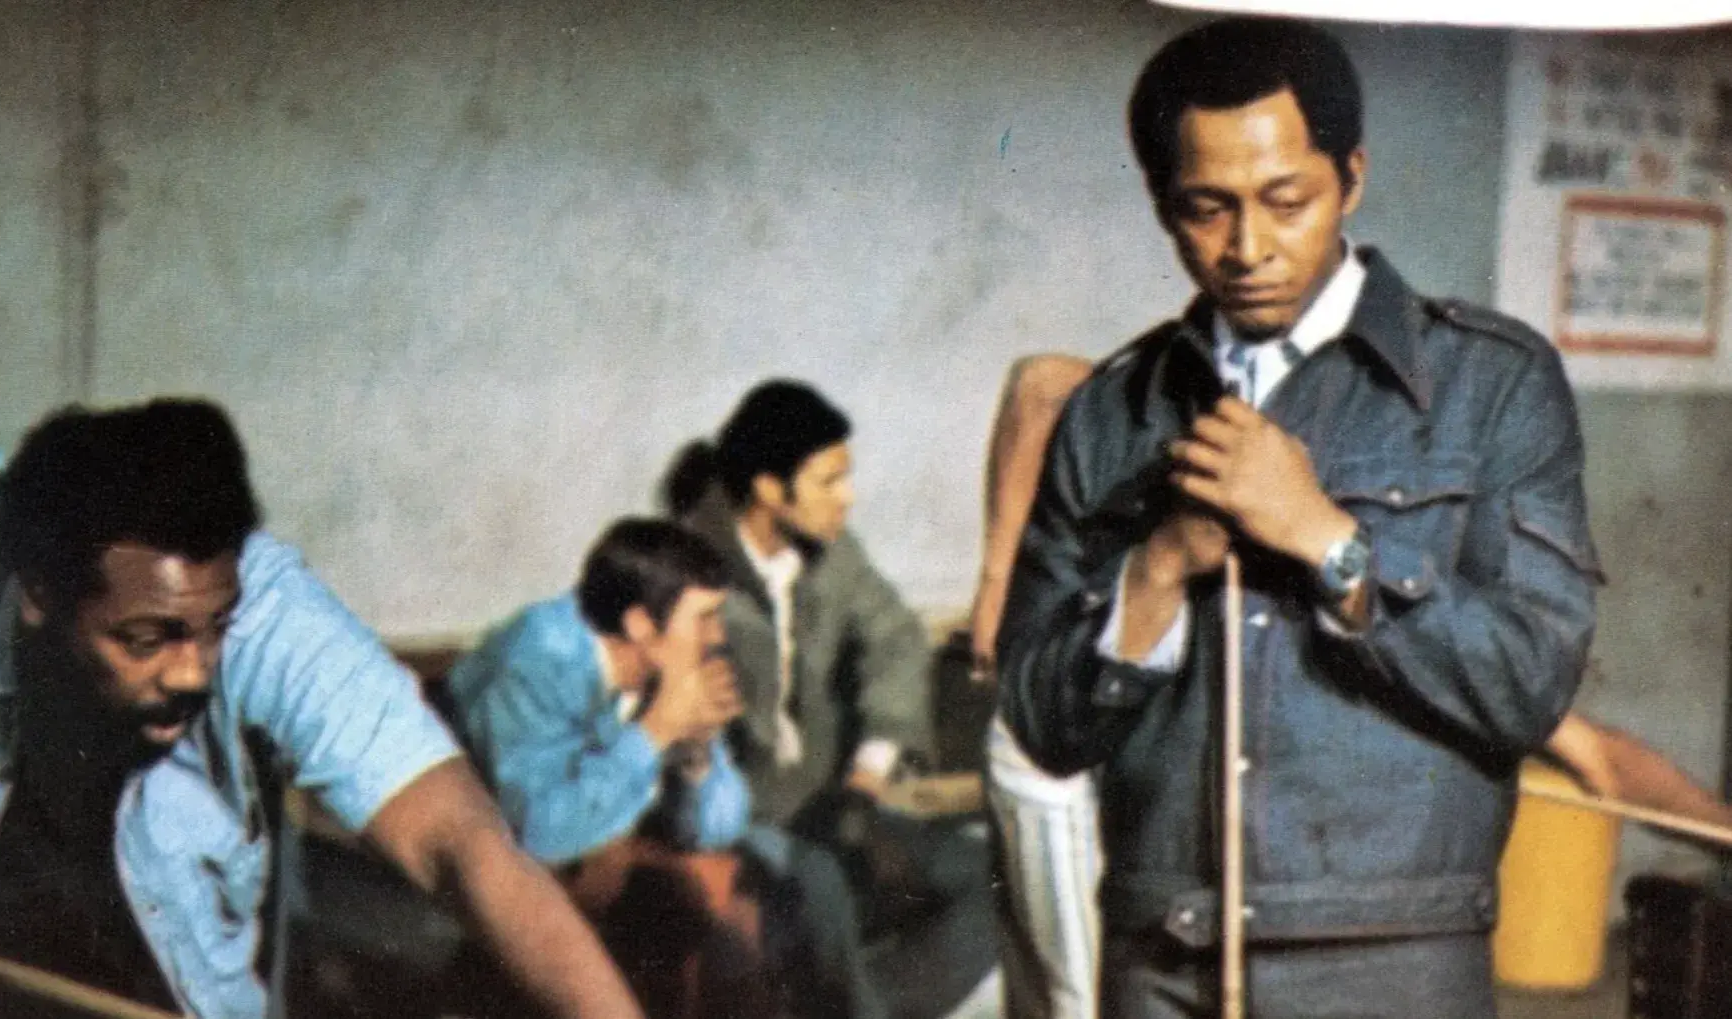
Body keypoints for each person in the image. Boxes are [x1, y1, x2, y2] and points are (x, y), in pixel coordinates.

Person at [997, 18, 1603, 1019]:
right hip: (1160, 957)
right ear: (1161, 206)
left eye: (1286, 201)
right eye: (1205, 209)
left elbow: (1526, 683)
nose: (1247, 248)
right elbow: (1043, 726)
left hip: (1391, 957)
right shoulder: (1111, 412)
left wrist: (1327, 539)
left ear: (1349, 178)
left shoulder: (1490, 382)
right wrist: (1152, 573)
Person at [977, 353, 1732, 1018]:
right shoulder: (1147, 447)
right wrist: (996, 575)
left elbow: (1590, 749)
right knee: (1069, 999)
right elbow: (1040, 381)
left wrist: (1719, 826)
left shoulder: (1393, 608)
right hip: (1076, 765)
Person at [0, 399, 642, 1019]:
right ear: (39, 592)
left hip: (173, 970)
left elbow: (457, 838)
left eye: (215, 628)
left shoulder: (269, 611)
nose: (193, 670)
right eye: (146, 637)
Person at [442, 517, 886, 1019]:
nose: (717, 636)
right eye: (705, 618)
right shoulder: (537, 662)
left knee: (814, 873)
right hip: (512, 867)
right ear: (639, 625)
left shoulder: (666, 661)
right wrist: (657, 730)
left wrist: (697, 752)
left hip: (622, 845)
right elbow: (542, 834)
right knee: (712, 914)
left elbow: (717, 828)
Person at [662, 379, 996, 1019]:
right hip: (734, 826)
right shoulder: (685, 570)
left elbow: (895, 637)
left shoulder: (831, 555)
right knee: (818, 883)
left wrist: (868, 778)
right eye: (829, 480)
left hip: (837, 806)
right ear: (768, 488)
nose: (848, 497)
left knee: (984, 873)